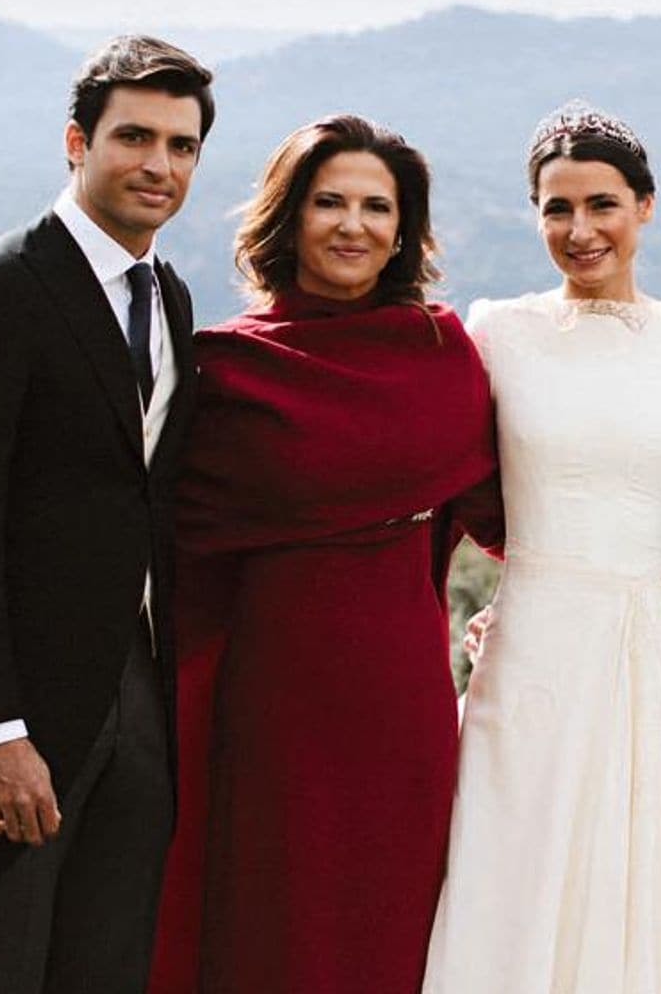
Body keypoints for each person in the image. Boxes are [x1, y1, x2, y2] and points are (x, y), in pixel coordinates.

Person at [0, 35, 214, 994]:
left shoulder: (172, 297)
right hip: (23, 718)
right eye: (134, 136)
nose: (159, 164)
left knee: (108, 971)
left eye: (182, 146)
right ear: (76, 142)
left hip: (139, 699)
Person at [422, 103, 661, 993]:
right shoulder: (496, 330)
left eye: (603, 205)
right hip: (529, 651)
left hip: (643, 654)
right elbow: (449, 492)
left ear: (645, 207)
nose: (580, 231)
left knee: (654, 882)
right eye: (556, 208)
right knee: (513, 875)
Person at [141, 113, 499, 994]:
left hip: (399, 695)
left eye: (377, 207)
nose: (353, 225)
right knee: (267, 919)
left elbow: (511, 509)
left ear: (403, 229)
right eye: (328, 202)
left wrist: (650, 568)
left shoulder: (442, 352)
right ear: (287, 217)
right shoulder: (221, 367)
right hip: (264, 698)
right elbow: (157, 537)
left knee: (393, 918)